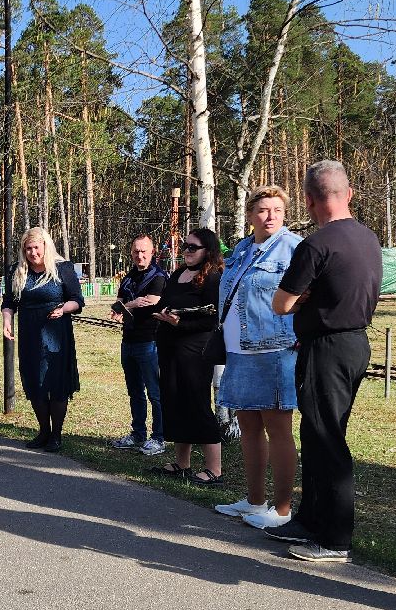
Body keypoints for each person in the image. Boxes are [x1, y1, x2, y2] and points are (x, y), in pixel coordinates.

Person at [269, 161, 383, 563]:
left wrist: (306, 299)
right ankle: (310, 518)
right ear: (348, 193)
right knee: (318, 435)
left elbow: (280, 303)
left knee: (327, 439)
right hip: (355, 343)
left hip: (325, 348)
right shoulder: (368, 238)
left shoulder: (317, 244)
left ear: (308, 199)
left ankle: (335, 538)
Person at [210, 188, 301, 529]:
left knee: (278, 429)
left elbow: (306, 295)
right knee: (248, 426)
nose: (271, 216)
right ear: (251, 215)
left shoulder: (293, 248)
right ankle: (254, 500)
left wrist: (298, 334)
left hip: (274, 352)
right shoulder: (243, 250)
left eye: (277, 209)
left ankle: (281, 510)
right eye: (263, 210)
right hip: (238, 351)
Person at [2, 227, 84, 452]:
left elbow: (77, 300)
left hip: (56, 333)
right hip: (29, 334)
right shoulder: (17, 271)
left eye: (36, 247)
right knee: (35, 382)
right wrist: (7, 320)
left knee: (56, 383)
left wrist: (64, 309)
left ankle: (56, 435)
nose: (32, 252)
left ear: (45, 246)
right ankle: (43, 431)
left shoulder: (62, 268)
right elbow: (9, 301)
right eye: (27, 248)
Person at [153, 227, 224, 483]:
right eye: (185, 246)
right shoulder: (178, 274)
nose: (187, 252)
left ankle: (214, 469)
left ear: (208, 251)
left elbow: (212, 320)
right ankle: (182, 463)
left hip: (196, 350)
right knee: (174, 402)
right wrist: (153, 312)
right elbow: (164, 304)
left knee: (197, 403)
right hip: (169, 348)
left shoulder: (214, 277)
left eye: (193, 248)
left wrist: (178, 324)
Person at [109, 233, 168, 456]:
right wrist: (131, 304)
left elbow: (152, 303)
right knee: (134, 391)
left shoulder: (158, 277)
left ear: (152, 253)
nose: (140, 255)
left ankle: (160, 437)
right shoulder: (128, 278)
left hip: (150, 342)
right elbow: (118, 305)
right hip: (129, 341)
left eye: (144, 251)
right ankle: (138, 433)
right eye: (136, 251)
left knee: (155, 392)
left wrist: (127, 305)